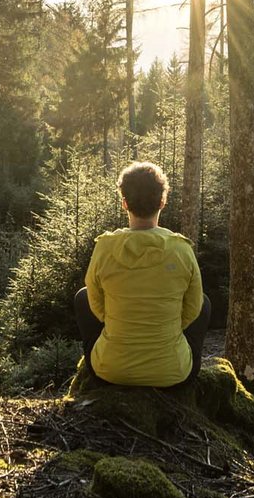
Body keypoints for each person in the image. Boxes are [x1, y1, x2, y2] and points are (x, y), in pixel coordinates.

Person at [74, 161, 210, 387]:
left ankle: (113, 355)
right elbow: (193, 308)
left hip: (109, 371)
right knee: (204, 303)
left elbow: (97, 305)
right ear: (163, 201)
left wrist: (117, 321)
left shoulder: (105, 247)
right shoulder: (181, 249)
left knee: (82, 297)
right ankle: (168, 356)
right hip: (173, 373)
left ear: (124, 203)